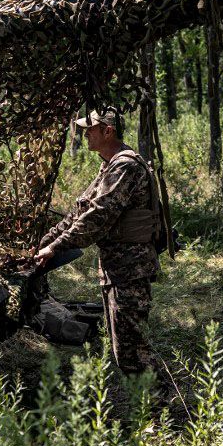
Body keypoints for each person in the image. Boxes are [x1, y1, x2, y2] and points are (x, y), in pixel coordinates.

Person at [34, 107, 160, 375]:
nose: (84, 133)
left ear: (107, 131)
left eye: (90, 129)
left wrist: (54, 248)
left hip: (130, 270)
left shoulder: (125, 167)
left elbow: (96, 219)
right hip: (117, 269)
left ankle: (157, 409)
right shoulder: (109, 165)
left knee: (133, 348)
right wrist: (44, 241)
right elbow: (79, 213)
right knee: (123, 347)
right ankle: (146, 410)